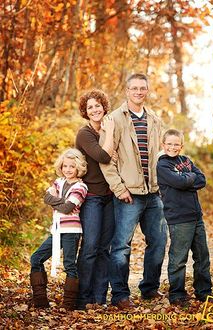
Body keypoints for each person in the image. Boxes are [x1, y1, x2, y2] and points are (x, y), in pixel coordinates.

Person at [100, 73, 167, 309]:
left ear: (147, 91)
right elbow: (105, 161)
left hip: (154, 194)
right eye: (134, 88)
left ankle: (149, 289)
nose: (138, 92)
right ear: (127, 91)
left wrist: (164, 188)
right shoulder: (114, 120)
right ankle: (120, 295)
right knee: (121, 246)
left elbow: (162, 156)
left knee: (158, 242)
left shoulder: (155, 121)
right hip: (128, 195)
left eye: (142, 88)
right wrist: (119, 189)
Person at [156, 129, 212, 307]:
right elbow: (180, 182)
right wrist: (187, 179)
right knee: (179, 259)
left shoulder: (186, 161)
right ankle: (177, 294)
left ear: (181, 145)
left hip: (196, 216)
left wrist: (186, 179)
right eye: (169, 144)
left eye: (176, 144)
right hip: (179, 219)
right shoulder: (162, 164)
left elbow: (201, 179)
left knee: (202, 257)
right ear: (163, 145)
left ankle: (204, 292)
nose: (173, 147)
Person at [30, 148, 88, 310]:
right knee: (36, 258)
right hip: (56, 230)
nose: (68, 170)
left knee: (69, 265)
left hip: (71, 231)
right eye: (65, 166)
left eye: (72, 166)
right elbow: (46, 197)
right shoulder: (59, 181)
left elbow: (67, 208)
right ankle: (40, 300)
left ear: (78, 168)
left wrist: (57, 200)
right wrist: (60, 200)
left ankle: (69, 304)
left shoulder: (81, 187)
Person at [75, 89, 115, 309]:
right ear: (85, 112)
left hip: (110, 197)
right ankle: (83, 298)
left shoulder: (110, 128)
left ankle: (99, 298)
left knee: (104, 249)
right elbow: (103, 156)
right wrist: (108, 136)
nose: (94, 109)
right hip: (91, 197)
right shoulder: (85, 134)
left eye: (97, 105)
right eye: (90, 107)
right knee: (90, 247)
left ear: (103, 106)